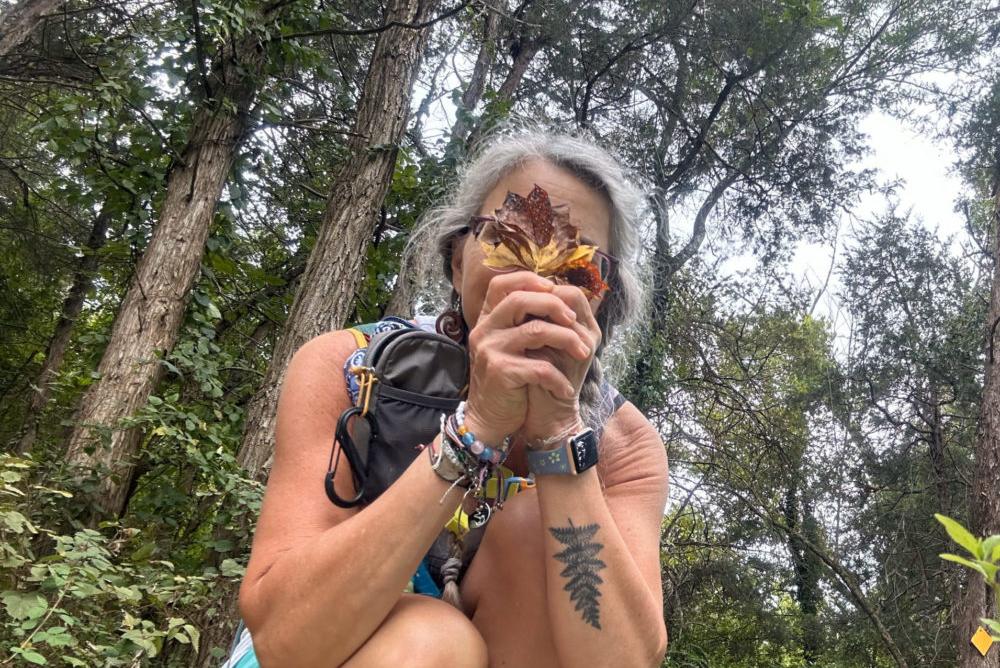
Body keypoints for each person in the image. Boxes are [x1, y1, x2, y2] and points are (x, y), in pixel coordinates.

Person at [236, 127, 670, 667]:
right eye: (507, 241)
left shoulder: (625, 448)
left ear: (603, 301)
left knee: (538, 528)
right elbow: (285, 641)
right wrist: (477, 428)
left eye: (577, 265)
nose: (536, 277)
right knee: (434, 639)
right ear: (457, 256)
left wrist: (559, 434)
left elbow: (623, 662)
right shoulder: (350, 368)